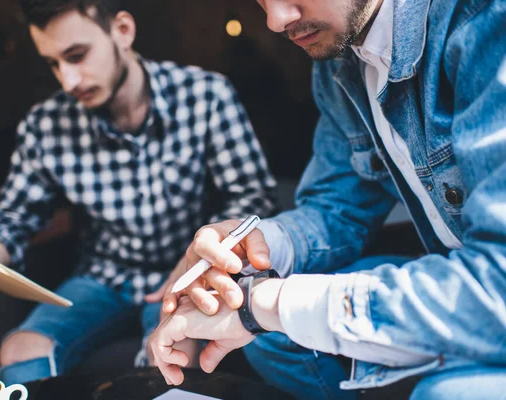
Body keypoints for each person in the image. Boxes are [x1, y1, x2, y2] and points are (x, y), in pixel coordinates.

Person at [149, 0, 506, 399]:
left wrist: (263, 304)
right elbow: (336, 208)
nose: (275, 20)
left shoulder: (486, 21)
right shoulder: (339, 61)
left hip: (488, 290)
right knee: (276, 338)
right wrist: (255, 241)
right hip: (461, 278)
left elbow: (498, 284)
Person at [0, 0, 277, 385]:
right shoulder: (47, 123)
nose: (68, 80)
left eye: (77, 55)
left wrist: (202, 262)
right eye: (53, 63)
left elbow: (253, 200)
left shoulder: (206, 95)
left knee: (175, 354)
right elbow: (14, 217)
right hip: (101, 276)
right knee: (18, 349)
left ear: (123, 31)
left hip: (184, 271)